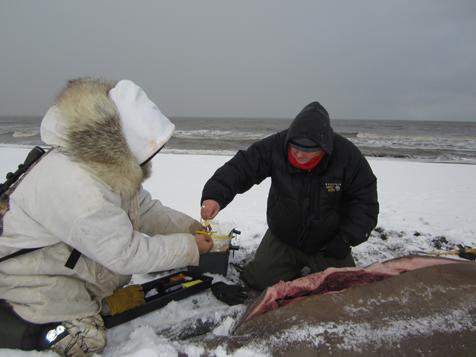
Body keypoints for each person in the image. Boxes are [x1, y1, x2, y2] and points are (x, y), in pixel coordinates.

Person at [0, 78, 212, 356]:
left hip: (65, 267)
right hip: (32, 279)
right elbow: (125, 253)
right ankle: (20, 327)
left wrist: (188, 226)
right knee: (86, 340)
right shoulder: (77, 185)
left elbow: (143, 208)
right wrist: (188, 247)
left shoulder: (99, 165)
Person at [201, 101, 379, 291]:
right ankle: (287, 268)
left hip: (328, 243)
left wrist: (346, 238)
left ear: (325, 147)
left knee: (346, 289)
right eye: (295, 149)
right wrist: (215, 196)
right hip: (283, 237)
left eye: (309, 151)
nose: (300, 155)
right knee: (257, 282)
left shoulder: (347, 155)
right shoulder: (276, 146)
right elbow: (241, 168)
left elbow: (365, 202)